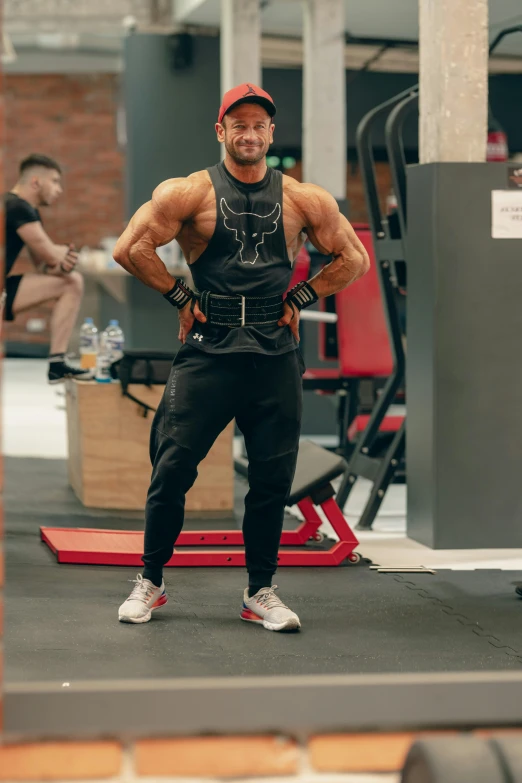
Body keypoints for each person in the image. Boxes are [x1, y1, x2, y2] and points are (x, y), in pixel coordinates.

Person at [115, 83, 370, 631]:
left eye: (259, 125)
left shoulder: (307, 199)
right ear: (221, 131)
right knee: (172, 469)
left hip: (274, 355)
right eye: (239, 125)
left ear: (270, 133)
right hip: (209, 352)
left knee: (273, 479)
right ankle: (151, 582)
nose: (249, 134)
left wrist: (301, 297)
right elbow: (129, 248)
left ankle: (260, 592)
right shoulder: (186, 193)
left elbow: (354, 258)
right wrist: (182, 298)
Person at [2, 154, 90, 383]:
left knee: (71, 282)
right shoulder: (16, 206)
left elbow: (44, 265)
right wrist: (63, 256)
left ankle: (57, 364)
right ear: (35, 182)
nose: (59, 189)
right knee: (72, 280)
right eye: (54, 181)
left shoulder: (27, 210)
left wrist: (62, 262)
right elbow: (51, 255)